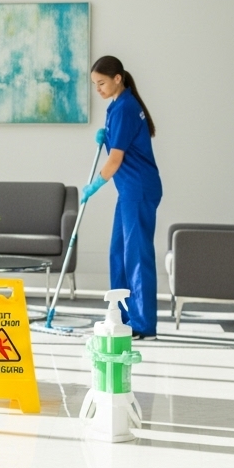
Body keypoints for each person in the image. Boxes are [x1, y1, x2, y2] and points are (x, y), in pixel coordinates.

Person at [80, 55, 162, 339]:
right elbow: (121, 142)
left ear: (118, 78)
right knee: (119, 252)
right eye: (95, 84)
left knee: (136, 256)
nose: (98, 89)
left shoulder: (126, 107)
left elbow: (115, 160)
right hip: (129, 190)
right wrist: (106, 136)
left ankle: (143, 324)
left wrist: (94, 185)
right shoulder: (117, 105)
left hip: (138, 189)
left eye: (102, 83)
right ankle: (122, 316)